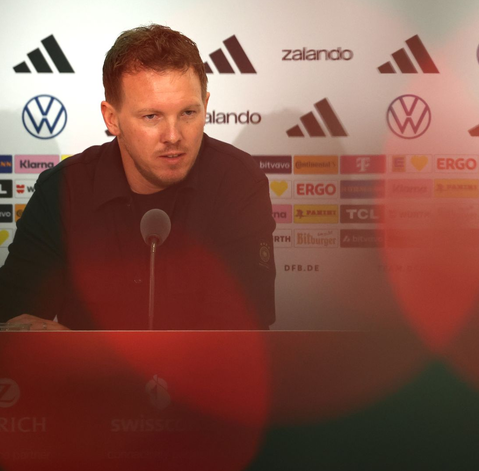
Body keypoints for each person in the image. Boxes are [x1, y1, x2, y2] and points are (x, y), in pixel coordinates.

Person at [0, 25, 276, 330]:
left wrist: (81, 349)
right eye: (151, 116)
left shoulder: (237, 182)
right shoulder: (63, 190)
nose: (173, 136)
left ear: (206, 105)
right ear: (112, 119)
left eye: (188, 113)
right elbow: (14, 322)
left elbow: (243, 332)